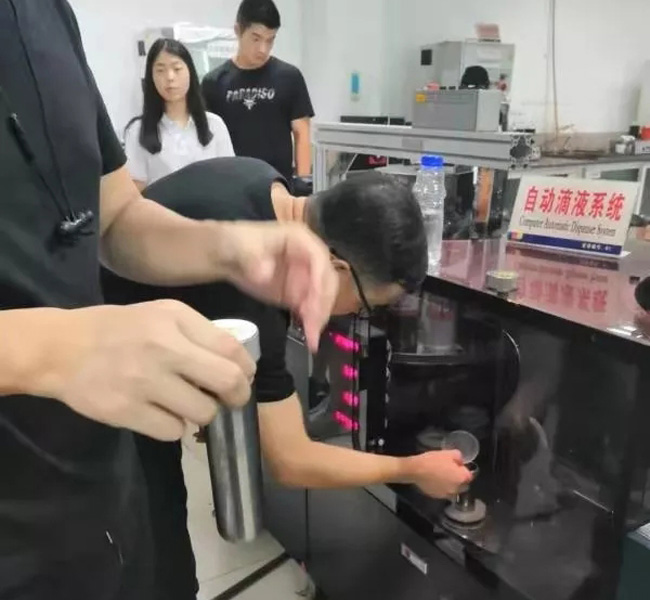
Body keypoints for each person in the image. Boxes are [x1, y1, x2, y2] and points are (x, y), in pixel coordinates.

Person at [0, 2, 338, 599]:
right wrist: (53, 350)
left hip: (103, 486)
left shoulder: (47, 15)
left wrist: (231, 246)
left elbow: (114, 220)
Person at [101, 157, 474, 600]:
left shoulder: (261, 181)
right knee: (158, 571)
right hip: (99, 405)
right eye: (364, 305)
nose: (355, 314)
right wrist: (411, 469)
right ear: (337, 268)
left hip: (112, 356)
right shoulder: (251, 292)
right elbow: (291, 459)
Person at [202, 0, 314, 186]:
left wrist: (303, 183)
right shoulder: (213, 82)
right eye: (256, 38)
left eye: (270, 40)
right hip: (231, 186)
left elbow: (302, 133)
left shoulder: (289, 77)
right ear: (238, 30)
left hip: (278, 186)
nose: (263, 49)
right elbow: (206, 140)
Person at [124, 38, 234, 190]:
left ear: (190, 72)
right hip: (158, 206)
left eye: (177, 69)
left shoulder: (215, 125)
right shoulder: (137, 131)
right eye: (160, 70)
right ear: (151, 78)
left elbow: (230, 180)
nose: (170, 77)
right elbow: (135, 192)